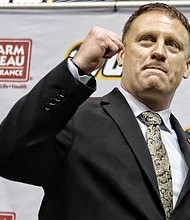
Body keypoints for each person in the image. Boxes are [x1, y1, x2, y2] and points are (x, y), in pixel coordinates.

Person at [0, 2, 190, 220]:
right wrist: (77, 67)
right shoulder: (73, 118)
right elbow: (8, 153)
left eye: (173, 44)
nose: (159, 52)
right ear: (121, 55)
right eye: (146, 40)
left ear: (186, 67)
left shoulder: (185, 146)